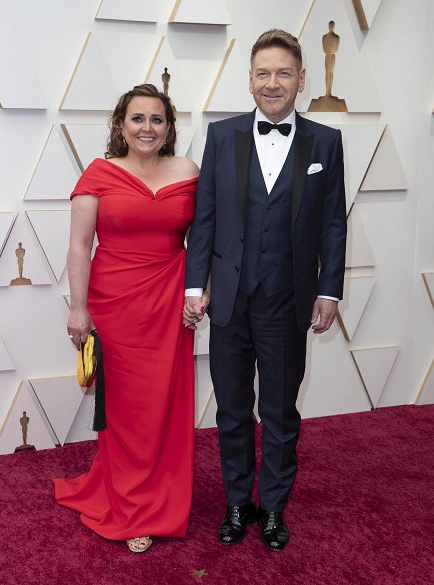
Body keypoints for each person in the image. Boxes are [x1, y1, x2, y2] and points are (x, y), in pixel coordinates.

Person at [183, 29, 346, 551]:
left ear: (301, 79)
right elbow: (204, 217)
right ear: (249, 81)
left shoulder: (325, 141)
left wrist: (330, 290)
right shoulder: (222, 137)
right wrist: (194, 286)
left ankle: (273, 507)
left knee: (278, 411)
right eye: (262, 73)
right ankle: (238, 502)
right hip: (229, 299)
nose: (272, 82)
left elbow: (332, 225)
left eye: (282, 73)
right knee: (232, 409)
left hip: (288, 300)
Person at [54, 83, 200, 553]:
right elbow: (79, 246)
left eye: (157, 119)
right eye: (138, 118)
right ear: (121, 125)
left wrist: (200, 295)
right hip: (115, 303)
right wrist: (79, 309)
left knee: (166, 403)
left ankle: (164, 496)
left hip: (170, 302)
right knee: (128, 410)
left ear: (169, 127)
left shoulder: (189, 171)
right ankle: (133, 506)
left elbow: (205, 239)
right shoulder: (99, 173)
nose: (147, 128)